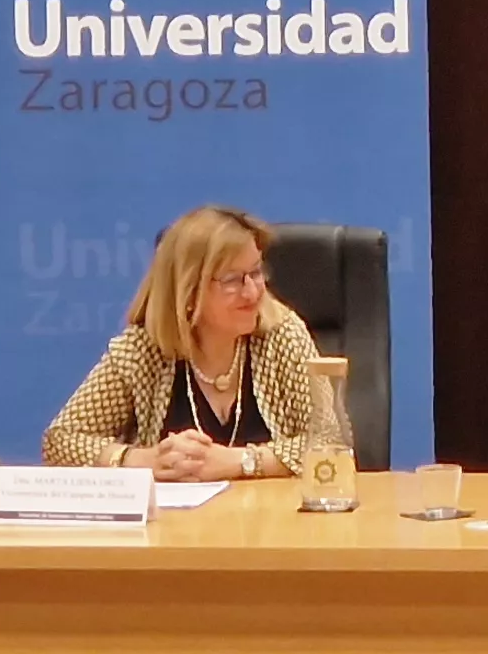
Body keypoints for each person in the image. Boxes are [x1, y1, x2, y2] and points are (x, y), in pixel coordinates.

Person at [43, 205, 343, 478]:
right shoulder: (143, 349)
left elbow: (330, 441)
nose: (253, 292)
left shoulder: (282, 334)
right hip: (173, 530)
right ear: (188, 291)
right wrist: (142, 460)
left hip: (272, 526)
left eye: (255, 272)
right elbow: (61, 440)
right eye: (232, 280)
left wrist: (240, 461)